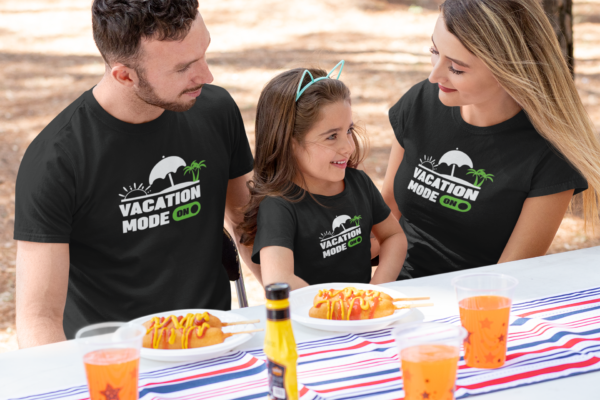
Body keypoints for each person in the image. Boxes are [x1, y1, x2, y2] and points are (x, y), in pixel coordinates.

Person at [14, 0, 260, 347]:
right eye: (183, 68)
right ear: (125, 75)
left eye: (204, 52)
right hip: (114, 364)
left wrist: (292, 306)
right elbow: (39, 317)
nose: (207, 76)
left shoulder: (216, 111)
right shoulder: (57, 160)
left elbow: (249, 226)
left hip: (214, 346)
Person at [381, 0, 600, 279]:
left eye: (457, 68)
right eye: (434, 51)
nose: (434, 75)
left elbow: (507, 275)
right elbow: (387, 214)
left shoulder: (550, 151)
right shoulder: (420, 102)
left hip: (475, 304)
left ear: (507, 70)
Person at [239, 62, 405, 290]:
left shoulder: (359, 184)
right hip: (309, 322)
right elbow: (279, 280)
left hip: (362, 319)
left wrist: (376, 291)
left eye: (348, 130)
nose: (348, 147)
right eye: (331, 137)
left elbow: (393, 236)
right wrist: (335, 309)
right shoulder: (278, 207)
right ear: (290, 142)